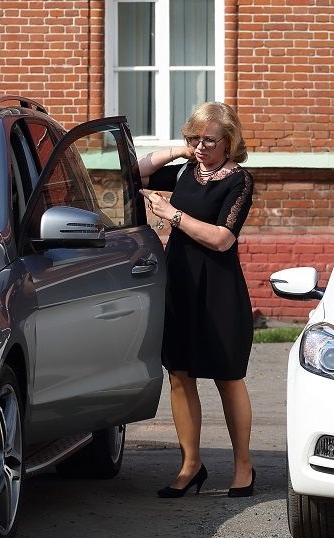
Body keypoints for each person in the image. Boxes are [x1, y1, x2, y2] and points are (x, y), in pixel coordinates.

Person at [138, 102, 256, 498]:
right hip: (181, 281)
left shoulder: (238, 181)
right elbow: (134, 171)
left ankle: (244, 467)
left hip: (219, 286)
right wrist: (177, 151)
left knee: (227, 376)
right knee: (179, 374)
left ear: (230, 141)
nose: (201, 147)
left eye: (209, 140)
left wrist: (172, 216)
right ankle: (191, 465)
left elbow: (223, 239)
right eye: (194, 138)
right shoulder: (187, 169)